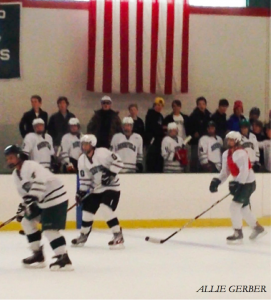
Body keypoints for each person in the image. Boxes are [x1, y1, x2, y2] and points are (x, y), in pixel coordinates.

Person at [4, 145, 73, 270]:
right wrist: (23, 207)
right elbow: (25, 194)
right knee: (26, 221)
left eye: (11, 158)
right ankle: (38, 254)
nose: (9, 161)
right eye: (7, 159)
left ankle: (63, 258)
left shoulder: (30, 166)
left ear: (19, 156)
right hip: (41, 201)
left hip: (55, 199)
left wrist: (31, 198)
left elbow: (40, 181)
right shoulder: (15, 174)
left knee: (49, 230)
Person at [209, 131, 266, 244]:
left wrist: (238, 184)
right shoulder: (226, 154)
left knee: (234, 207)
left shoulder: (241, 153)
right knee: (243, 208)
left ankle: (238, 232)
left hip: (248, 183)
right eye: (228, 139)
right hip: (241, 183)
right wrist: (217, 181)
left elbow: (244, 171)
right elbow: (225, 172)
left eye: (231, 139)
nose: (228, 141)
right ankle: (258, 228)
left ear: (237, 141)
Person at [72, 135, 124, 249]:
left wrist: (110, 174)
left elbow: (119, 162)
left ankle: (118, 235)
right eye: (83, 144)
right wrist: (81, 192)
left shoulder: (103, 153)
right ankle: (83, 235)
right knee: (87, 212)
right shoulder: (82, 160)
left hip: (111, 187)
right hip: (97, 189)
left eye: (87, 144)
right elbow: (85, 180)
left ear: (93, 144)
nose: (84, 146)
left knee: (105, 208)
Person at [189, 97, 212, 172]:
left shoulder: (209, 116)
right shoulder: (193, 116)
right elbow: (189, 129)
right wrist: (193, 134)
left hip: (207, 142)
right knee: (195, 159)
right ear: (197, 105)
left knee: (206, 160)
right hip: (196, 142)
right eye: (200, 104)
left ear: (205, 105)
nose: (202, 106)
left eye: (203, 104)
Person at [145, 97, 165, 173]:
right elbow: (153, 127)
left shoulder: (160, 116)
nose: (159, 107)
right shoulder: (150, 115)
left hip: (159, 143)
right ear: (154, 105)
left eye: (161, 105)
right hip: (152, 143)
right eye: (158, 105)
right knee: (151, 163)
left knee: (159, 163)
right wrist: (162, 128)